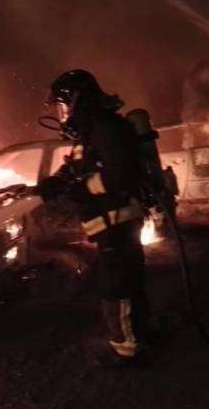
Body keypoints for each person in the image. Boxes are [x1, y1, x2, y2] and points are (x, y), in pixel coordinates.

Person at [36, 70, 150, 366]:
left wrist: (82, 189)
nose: (61, 114)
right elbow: (79, 167)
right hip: (112, 221)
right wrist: (57, 182)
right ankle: (139, 334)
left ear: (77, 100)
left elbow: (120, 174)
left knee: (117, 286)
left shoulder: (106, 128)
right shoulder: (92, 131)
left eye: (63, 105)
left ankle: (128, 349)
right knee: (126, 281)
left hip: (119, 220)